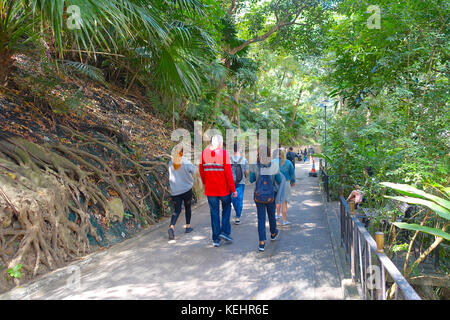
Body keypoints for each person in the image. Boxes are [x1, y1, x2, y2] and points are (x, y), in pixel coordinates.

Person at [199, 134, 237, 247]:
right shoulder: (224, 154)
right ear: (220, 143)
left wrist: (206, 183)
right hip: (223, 189)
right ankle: (224, 232)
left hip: (210, 190)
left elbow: (201, 171)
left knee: (214, 213)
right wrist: (233, 190)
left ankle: (216, 239)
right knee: (226, 207)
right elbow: (229, 174)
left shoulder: (204, 153)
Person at [249, 145, 282, 252]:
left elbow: (251, 179)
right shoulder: (274, 165)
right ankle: (273, 233)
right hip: (270, 196)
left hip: (258, 196)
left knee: (261, 218)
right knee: (271, 215)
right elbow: (279, 180)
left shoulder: (254, 165)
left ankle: (262, 242)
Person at [168, 145, 195, 240]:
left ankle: (171, 227)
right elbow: (193, 171)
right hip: (186, 189)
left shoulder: (170, 162)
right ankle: (188, 227)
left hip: (175, 191)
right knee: (188, 207)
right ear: (182, 152)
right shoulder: (185, 161)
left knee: (177, 210)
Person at [275, 148, 295, 226]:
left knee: (277, 199)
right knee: (284, 202)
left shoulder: (273, 162)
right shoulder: (288, 162)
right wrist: (293, 182)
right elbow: (292, 174)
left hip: (276, 182)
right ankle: (284, 220)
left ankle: (277, 215)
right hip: (286, 183)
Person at [230, 141, 249, 225]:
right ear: (240, 149)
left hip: (230, 182)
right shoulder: (244, 160)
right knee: (239, 199)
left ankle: (234, 212)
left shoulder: (229, 159)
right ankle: (238, 216)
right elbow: (246, 172)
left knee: (232, 198)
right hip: (241, 182)